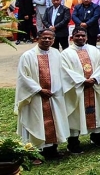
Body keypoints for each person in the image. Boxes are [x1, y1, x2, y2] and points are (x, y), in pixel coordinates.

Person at [15, 29, 69, 162]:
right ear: (37, 38)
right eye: (44, 38)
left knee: (54, 121)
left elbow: (61, 73)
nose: (47, 40)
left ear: (54, 40)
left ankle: (52, 151)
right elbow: (23, 77)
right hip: (35, 96)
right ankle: (34, 154)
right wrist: (39, 90)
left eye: (50, 38)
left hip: (53, 95)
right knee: (36, 123)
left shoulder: (56, 53)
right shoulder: (27, 56)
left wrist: (55, 89)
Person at [60, 28, 100, 153]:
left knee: (96, 112)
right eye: (77, 35)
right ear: (71, 37)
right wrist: (82, 80)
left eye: (82, 35)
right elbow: (65, 71)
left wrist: (94, 78)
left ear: (87, 37)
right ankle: (73, 144)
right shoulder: (66, 53)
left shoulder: (94, 50)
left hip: (93, 87)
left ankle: (96, 138)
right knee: (76, 115)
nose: (80, 38)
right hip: (77, 89)